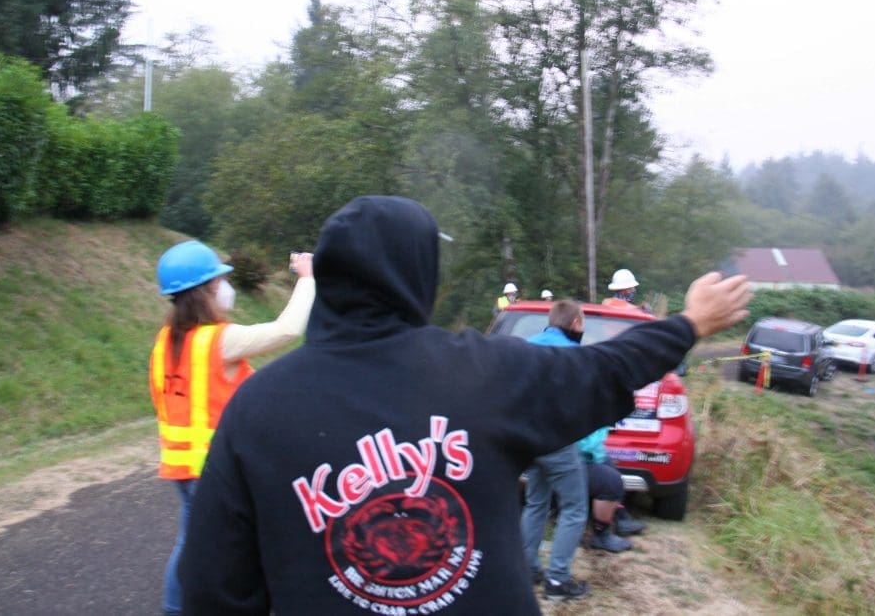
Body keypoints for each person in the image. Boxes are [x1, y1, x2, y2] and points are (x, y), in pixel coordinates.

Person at [178, 196, 751, 615]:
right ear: (418, 273)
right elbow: (606, 369)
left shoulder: (257, 406)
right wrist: (689, 324)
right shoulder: (486, 372)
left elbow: (213, 586)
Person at [148, 240, 315, 616]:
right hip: (214, 469)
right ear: (205, 292)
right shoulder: (219, 341)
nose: (227, 287)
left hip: (182, 467)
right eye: (220, 281)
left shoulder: (166, 342)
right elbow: (288, 330)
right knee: (240, 537)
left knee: (191, 541)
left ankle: (176, 607)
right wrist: (308, 278)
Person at [520, 301, 590, 601]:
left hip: (528, 440)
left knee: (536, 502)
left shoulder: (526, 346)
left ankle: (527, 570)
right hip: (557, 441)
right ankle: (557, 581)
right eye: (583, 323)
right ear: (575, 323)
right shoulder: (575, 354)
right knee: (574, 508)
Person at [576, 427, 645, 552]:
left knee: (608, 463)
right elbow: (585, 445)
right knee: (611, 482)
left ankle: (620, 518)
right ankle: (600, 535)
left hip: (581, 456)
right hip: (567, 460)